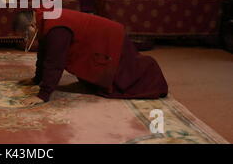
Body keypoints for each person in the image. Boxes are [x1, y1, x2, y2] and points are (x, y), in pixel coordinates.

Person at [14, 9, 169, 106]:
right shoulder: (43, 17)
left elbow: (54, 62)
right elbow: (45, 51)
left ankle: (151, 73)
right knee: (91, 80)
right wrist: (36, 79)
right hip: (99, 36)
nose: (26, 39)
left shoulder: (55, 28)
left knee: (122, 80)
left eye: (25, 34)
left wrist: (43, 95)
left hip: (110, 38)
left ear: (32, 25)